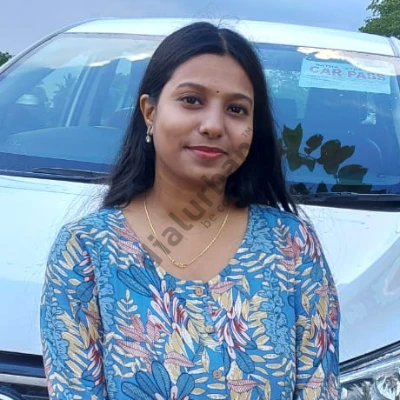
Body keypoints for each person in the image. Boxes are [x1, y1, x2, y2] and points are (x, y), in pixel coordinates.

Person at [40, 20, 341, 400]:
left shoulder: (292, 245)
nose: (213, 125)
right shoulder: (85, 251)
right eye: (192, 100)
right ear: (150, 112)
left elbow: (319, 388)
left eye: (236, 109)